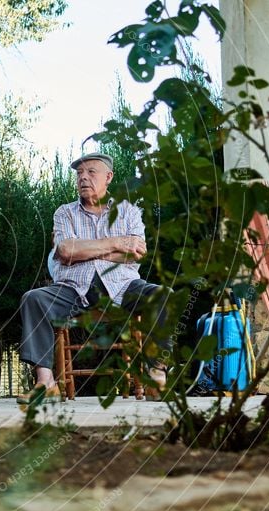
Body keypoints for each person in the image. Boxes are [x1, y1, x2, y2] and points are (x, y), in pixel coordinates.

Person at [18, 152, 170, 404]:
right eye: (79, 174)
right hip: (73, 288)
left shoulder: (129, 211)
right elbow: (66, 250)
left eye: (91, 172)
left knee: (163, 296)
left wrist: (85, 250)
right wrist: (116, 244)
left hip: (123, 286)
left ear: (108, 177)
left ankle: (156, 376)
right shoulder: (64, 213)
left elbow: (137, 254)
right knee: (33, 299)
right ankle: (46, 383)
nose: (83, 178)